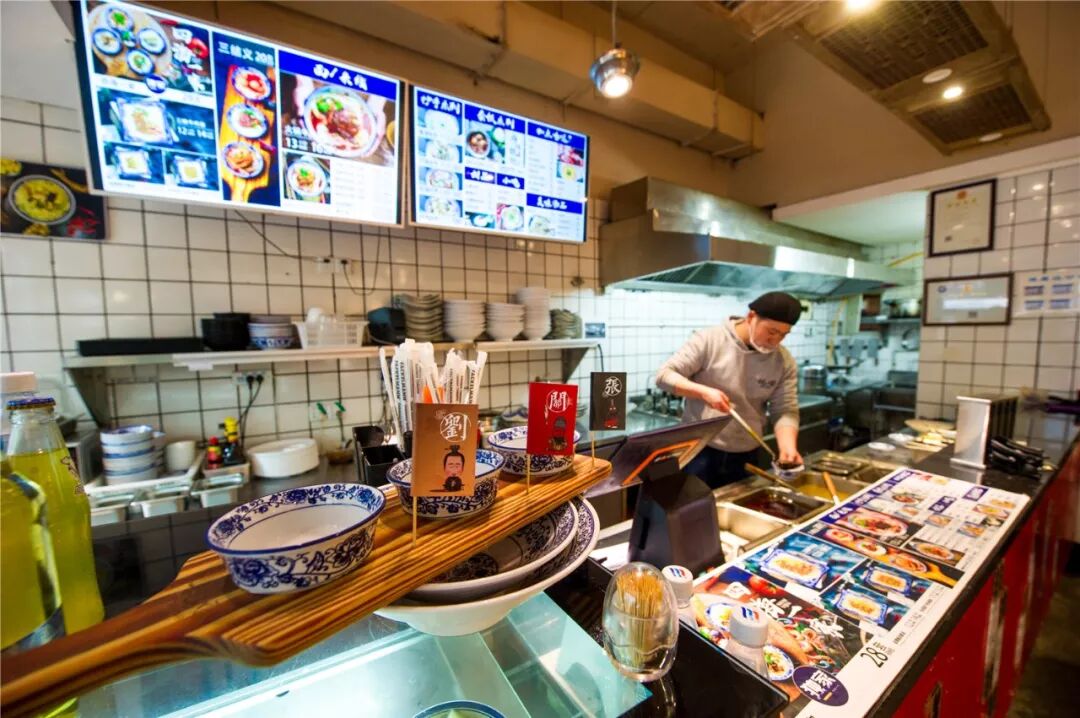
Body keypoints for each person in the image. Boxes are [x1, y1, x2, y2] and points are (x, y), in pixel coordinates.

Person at [656, 291, 803, 488]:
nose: (775, 341)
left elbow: (785, 409)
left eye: (783, 335)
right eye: (771, 331)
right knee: (695, 505)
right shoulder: (710, 340)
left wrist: (787, 448)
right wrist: (704, 392)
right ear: (751, 317)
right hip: (700, 450)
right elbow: (664, 376)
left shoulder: (783, 361)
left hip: (746, 453)